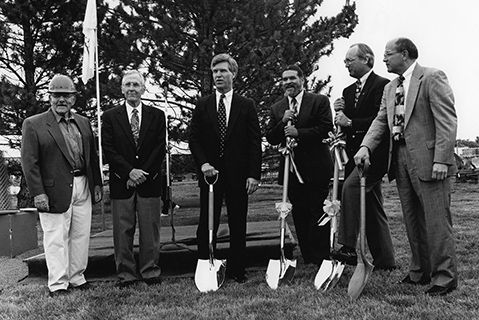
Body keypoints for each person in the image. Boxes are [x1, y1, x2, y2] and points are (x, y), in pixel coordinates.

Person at [354, 38, 458, 296]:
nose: (384, 59)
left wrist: (442, 160)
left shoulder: (432, 77)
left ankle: (445, 277)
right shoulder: (390, 88)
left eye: (388, 54)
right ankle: (419, 272)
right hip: (399, 160)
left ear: (405, 53)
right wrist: (366, 146)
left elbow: (447, 121)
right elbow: (380, 121)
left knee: (436, 222)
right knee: (412, 220)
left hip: (430, 161)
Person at [21, 74, 103, 297]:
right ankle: (58, 284)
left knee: (80, 235)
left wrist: (96, 184)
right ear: (49, 97)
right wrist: (38, 193)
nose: (61, 100)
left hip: (83, 184)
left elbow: (91, 157)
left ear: (74, 99)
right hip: (52, 190)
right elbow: (30, 163)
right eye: (56, 95)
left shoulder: (84, 123)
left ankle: (77, 277)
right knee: (56, 237)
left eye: (66, 96)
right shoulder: (34, 124)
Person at [189, 53, 262, 283]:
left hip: (239, 176)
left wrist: (253, 174)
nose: (218, 75)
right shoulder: (202, 105)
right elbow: (194, 139)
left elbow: (254, 142)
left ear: (233, 74)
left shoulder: (246, 105)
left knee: (237, 222)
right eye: (214, 71)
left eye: (223, 71)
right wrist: (204, 164)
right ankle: (206, 264)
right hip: (210, 175)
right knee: (207, 222)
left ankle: (237, 269)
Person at [330, 43, 396, 271]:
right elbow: (344, 126)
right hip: (353, 157)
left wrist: (350, 122)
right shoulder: (348, 92)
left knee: (350, 189)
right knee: (373, 207)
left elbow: (382, 122)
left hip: (373, 157)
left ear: (367, 60)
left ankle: (347, 246)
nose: (346, 64)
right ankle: (386, 260)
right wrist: (340, 112)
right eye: (345, 61)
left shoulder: (383, 86)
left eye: (350, 60)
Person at [102, 70, 166, 287]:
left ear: (143, 88)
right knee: (123, 232)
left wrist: (142, 174)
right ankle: (127, 274)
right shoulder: (110, 116)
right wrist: (129, 172)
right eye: (127, 84)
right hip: (122, 182)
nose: (131, 88)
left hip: (149, 181)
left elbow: (159, 148)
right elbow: (109, 149)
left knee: (150, 230)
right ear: (121, 89)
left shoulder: (157, 115)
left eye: (136, 85)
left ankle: (150, 271)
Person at [265, 65, 333, 267]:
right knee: (300, 214)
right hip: (291, 172)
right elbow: (271, 137)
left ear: (302, 80)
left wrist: (299, 133)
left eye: (292, 78)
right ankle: (308, 257)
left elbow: (326, 128)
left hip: (316, 168)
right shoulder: (277, 108)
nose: (288, 82)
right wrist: (282, 123)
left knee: (318, 211)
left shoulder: (319, 101)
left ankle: (322, 255)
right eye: (284, 79)